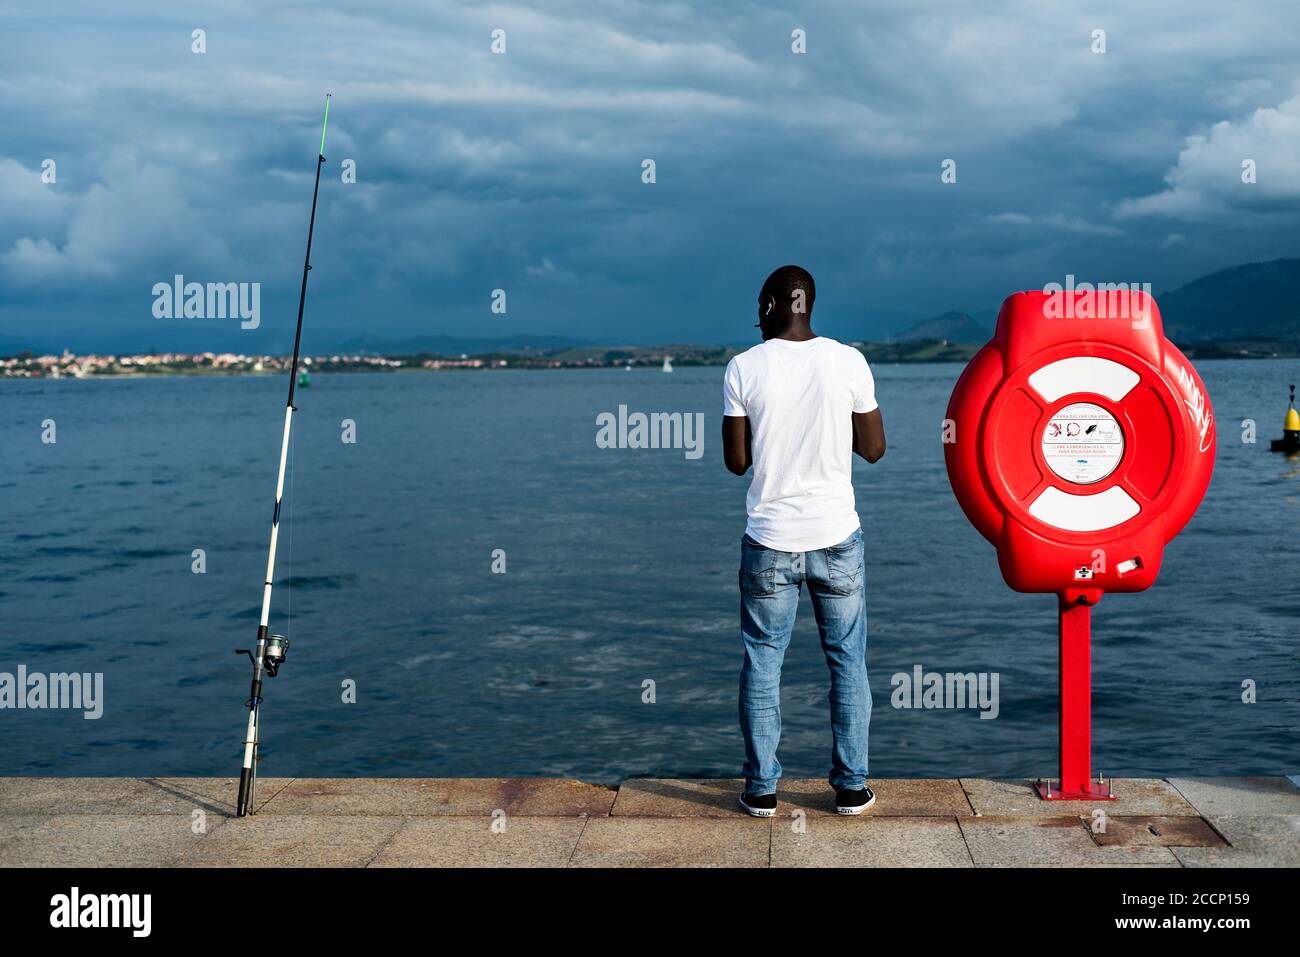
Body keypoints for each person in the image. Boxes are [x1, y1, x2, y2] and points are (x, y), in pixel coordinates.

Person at [721, 264, 886, 817]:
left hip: (769, 539)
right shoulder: (849, 361)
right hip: (837, 535)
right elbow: (874, 448)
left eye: (758, 306)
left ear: (772, 304)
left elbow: (736, 462)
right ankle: (850, 787)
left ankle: (762, 789)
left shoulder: (743, 367)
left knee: (763, 661)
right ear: (808, 304)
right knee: (847, 661)